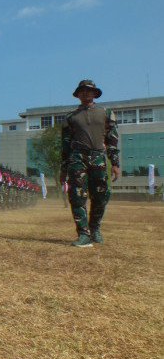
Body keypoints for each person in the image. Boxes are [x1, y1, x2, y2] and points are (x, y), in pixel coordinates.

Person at [59, 80, 119, 247]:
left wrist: (115, 163)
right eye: (82, 91)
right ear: (77, 94)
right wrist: (63, 169)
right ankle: (83, 233)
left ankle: (95, 228)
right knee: (77, 196)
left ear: (95, 93)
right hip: (77, 158)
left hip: (99, 157)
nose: (85, 93)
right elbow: (65, 145)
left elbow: (112, 140)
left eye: (89, 91)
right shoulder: (70, 118)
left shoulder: (106, 113)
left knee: (101, 195)